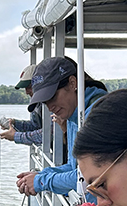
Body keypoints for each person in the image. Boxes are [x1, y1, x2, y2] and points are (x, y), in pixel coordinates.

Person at [15, 57, 107, 197]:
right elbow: (73, 167)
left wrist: (40, 180)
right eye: (45, 103)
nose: (51, 107)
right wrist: (41, 174)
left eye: (53, 97)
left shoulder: (98, 114)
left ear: (72, 83)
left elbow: (88, 176)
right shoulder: (72, 114)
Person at [0, 64, 42, 145]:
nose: (26, 92)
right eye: (25, 88)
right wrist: (14, 123)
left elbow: (47, 134)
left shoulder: (50, 103)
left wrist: (16, 136)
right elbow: (34, 126)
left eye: (29, 87)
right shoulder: (37, 103)